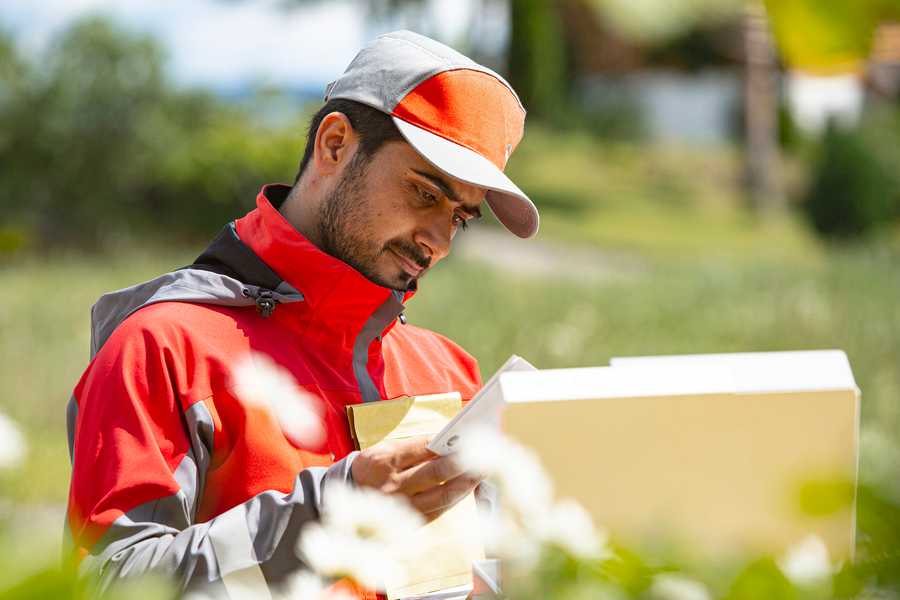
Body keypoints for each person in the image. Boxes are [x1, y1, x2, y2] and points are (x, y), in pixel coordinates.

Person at [64, 30, 538, 598]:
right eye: (425, 193)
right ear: (335, 144)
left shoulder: (452, 372)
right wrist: (329, 508)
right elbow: (108, 583)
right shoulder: (163, 347)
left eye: (461, 217)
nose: (439, 241)